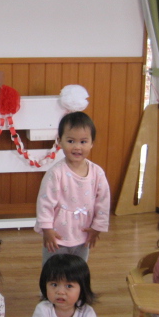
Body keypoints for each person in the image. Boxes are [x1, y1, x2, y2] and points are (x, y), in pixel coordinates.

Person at [35, 112, 110, 265]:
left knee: (78, 270)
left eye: (83, 141)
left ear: (92, 143)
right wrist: (47, 229)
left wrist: (98, 227)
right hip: (57, 237)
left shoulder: (97, 173)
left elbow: (103, 202)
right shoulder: (55, 173)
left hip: (83, 235)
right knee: (53, 270)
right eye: (70, 141)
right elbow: (45, 203)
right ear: (59, 141)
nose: (77, 147)